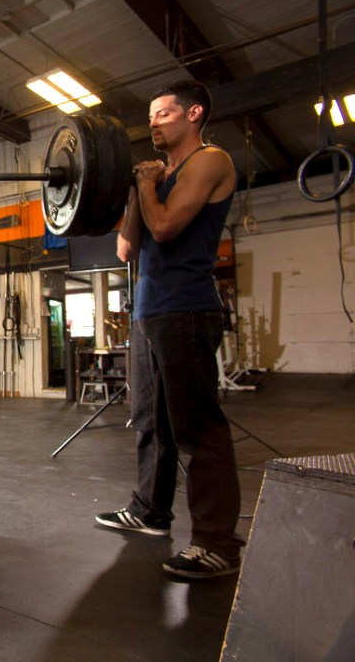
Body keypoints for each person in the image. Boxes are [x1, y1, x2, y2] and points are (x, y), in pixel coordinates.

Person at [95, 80, 245, 578]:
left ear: (193, 113)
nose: (152, 122)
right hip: (148, 311)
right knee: (150, 420)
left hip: (185, 307)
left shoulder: (210, 160)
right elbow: (126, 248)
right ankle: (149, 511)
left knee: (197, 429)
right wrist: (145, 186)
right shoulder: (161, 176)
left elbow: (165, 230)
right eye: (151, 114)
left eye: (162, 113)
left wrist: (145, 185)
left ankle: (216, 543)